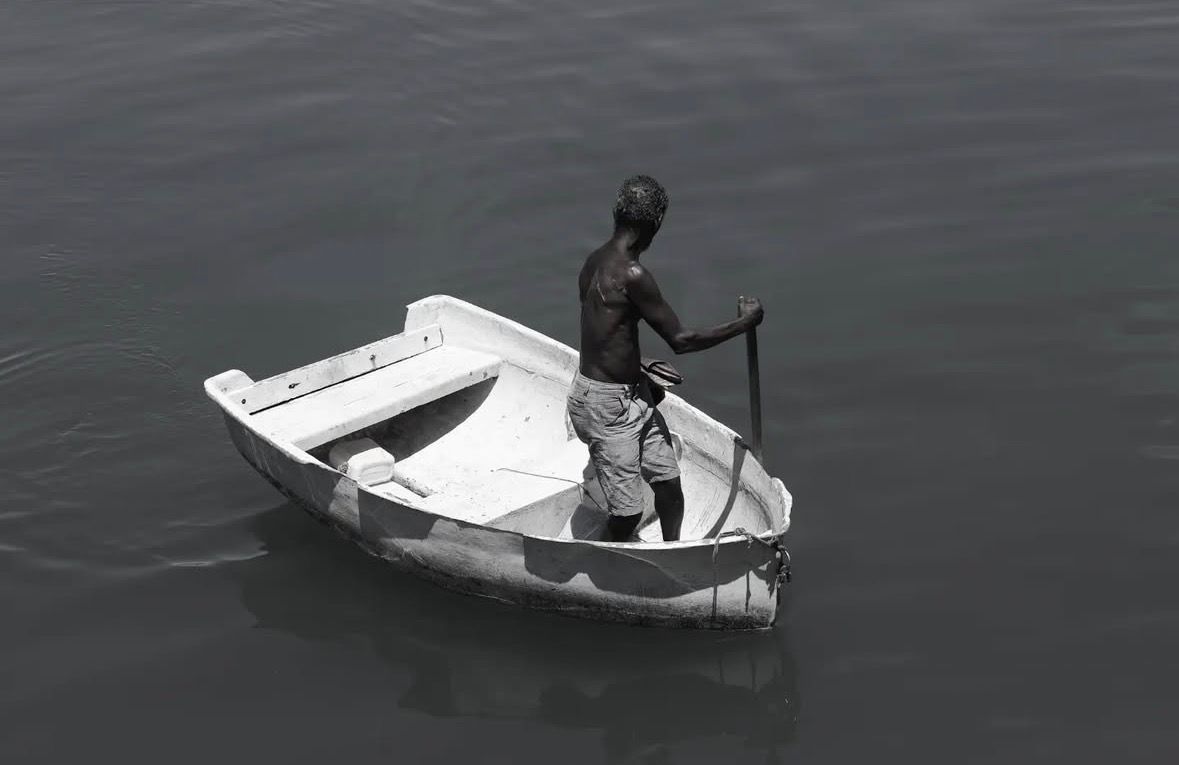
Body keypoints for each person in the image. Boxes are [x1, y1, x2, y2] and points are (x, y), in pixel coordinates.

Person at [566, 175, 764, 542]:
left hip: (631, 393)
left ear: (617, 213)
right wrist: (744, 323)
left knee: (669, 486)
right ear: (654, 227)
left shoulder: (594, 260)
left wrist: (636, 368)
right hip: (606, 408)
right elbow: (681, 341)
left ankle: (673, 553)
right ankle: (604, 559)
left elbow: (605, 332)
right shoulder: (633, 274)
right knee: (628, 515)